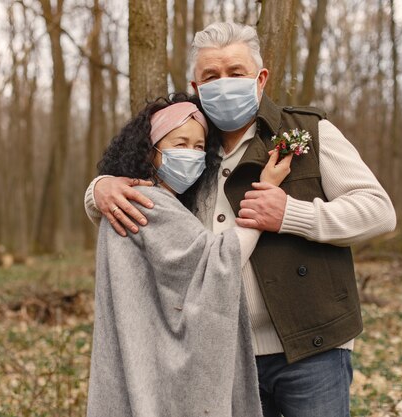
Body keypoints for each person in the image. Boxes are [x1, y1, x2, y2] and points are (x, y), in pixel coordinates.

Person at [84, 23, 397, 417]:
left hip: (310, 349)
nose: (224, 83)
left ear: (260, 78)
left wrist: (292, 215)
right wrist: (99, 188)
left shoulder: (308, 132)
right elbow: (151, 208)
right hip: (221, 355)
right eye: (211, 76)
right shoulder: (192, 146)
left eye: (236, 72)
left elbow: (379, 210)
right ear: (197, 87)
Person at [87, 94, 293, 417]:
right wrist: (263, 194)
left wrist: (98, 187)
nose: (191, 155)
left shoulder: (131, 198)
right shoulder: (147, 203)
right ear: (151, 150)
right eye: (180, 143)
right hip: (152, 365)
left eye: (199, 147)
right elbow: (218, 259)